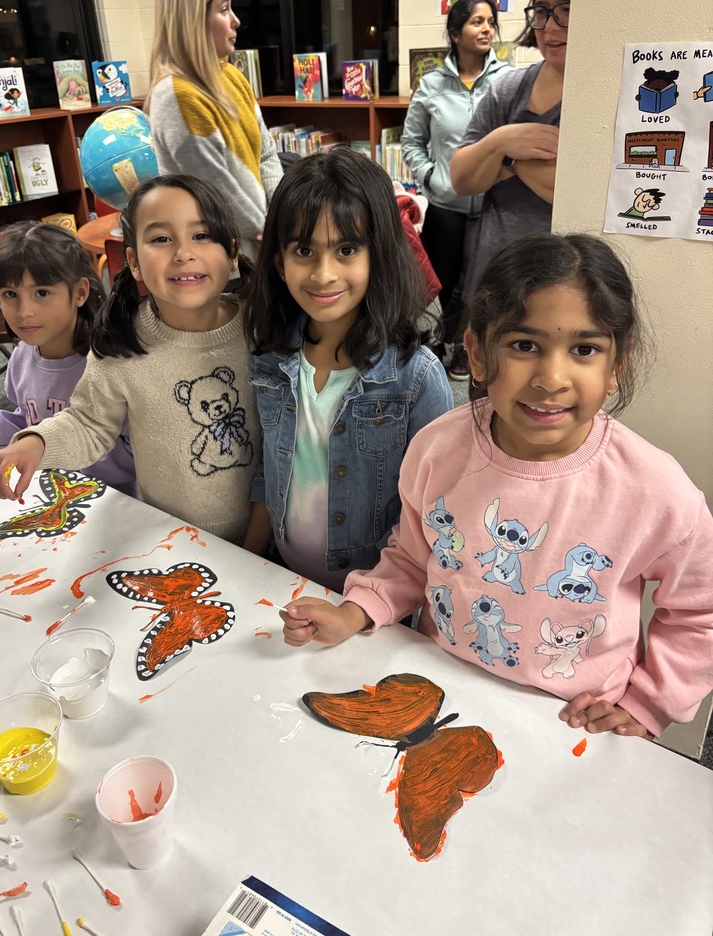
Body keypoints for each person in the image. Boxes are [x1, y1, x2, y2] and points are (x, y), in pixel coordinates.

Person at [281, 233, 713, 740]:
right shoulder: (437, 450)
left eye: (584, 349)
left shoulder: (656, 491)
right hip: (444, 691)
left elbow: (699, 612)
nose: (552, 378)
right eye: (525, 346)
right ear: (478, 354)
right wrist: (357, 611)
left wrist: (649, 704)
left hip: (571, 726)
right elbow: (413, 558)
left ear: (617, 364)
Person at [0, 175, 261, 545]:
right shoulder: (122, 342)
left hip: (262, 538)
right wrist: (36, 442)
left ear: (232, 252)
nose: (182, 253)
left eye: (202, 235)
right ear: (134, 262)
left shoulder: (261, 330)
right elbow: (90, 423)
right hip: (166, 536)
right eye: (161, 239)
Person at [243, 147, 453, 591]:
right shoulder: (270, 357)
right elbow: (269, 471)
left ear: (378, 255)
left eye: (346, 249)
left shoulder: (416, 378)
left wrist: (368, 605)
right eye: (304, 250)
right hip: (282, 579)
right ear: (279, 262)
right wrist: (245, 563)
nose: (323, 274)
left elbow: (432, 515)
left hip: (375, 601)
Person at [0, 222, 134, 494]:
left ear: (79, 293)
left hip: (117, 505)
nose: (25, 311)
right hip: (50, 493)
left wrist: (50, 449)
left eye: (42, 293)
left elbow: (135, 458)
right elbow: (29, 423)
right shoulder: (22, 355)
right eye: (10, 294)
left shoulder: (111, 364)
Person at [450, 0, 574, 310]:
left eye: (566, 9)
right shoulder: (509, 87)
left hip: (557, 294)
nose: (550, 26)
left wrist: (507, 161)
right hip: (491, 283)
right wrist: (502, 140)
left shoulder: (604, 100)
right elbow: (462, 177)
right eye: (542, 10)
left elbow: (575, 190)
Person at [401, 0, 511, 381]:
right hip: (446, 205)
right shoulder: (431, 85)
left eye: (489, 22)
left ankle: (469, 350)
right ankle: (431, 346)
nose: (486, 29)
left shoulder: (506, 81)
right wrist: (432, 177)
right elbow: (411, 142)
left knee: (483, 285)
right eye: (476, 21)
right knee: (439, 285)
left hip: (494, 205)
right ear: (455, 32)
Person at [144, 0, 283, 261]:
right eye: (223, 9)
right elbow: (218, 193)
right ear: (192, 19)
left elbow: (266, 153)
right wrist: (270, 232)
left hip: (266, 239)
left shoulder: (232, 76)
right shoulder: (176, 96)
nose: (235, 21)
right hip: (228, 255)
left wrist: (281, 214)